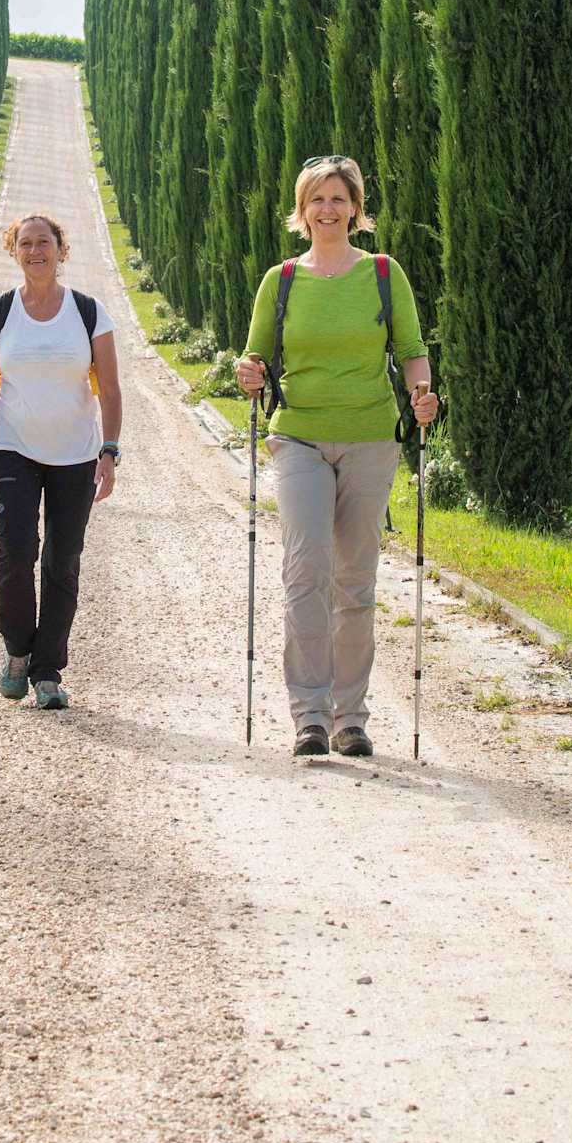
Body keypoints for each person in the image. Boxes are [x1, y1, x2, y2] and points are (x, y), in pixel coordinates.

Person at [237, 156, 438, 759]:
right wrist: (249, 372)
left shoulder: (382, 273)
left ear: (356, 208)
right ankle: (310, 715)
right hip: (297, 434)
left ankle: (351, 717)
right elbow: (256, 358)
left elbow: (411, 350)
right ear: (301, 211)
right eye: (316, 200)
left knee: (355, 579)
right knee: (307, 568)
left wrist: (424, 396)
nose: (328, 209)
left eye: (338, 199)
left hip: (371, 436)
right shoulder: (282, 280)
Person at [0, 213, 122, 709]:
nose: (36, 251)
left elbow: (111, 387)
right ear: (15, 252)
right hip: (12, 448)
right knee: (15, 552)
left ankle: (48, 670)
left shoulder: (88, 311)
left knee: (63, 561)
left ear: (62, 249)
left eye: (45, 243)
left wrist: (110, 450)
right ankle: (17, 651)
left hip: (76, 455)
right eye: (26, 244)